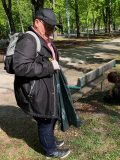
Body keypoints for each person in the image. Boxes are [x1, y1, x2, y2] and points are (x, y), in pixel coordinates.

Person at [13, 8, 70, 158]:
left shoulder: (43, 38)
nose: (51, 30)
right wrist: (49, 66)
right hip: (36, 90)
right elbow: (20, 67)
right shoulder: (29, 39)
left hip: (47, 87)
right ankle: (50, 150)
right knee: (45, 119)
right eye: (48, 26)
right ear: (37, 22)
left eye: (53, 27)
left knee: (52, 115)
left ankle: (50, 141)